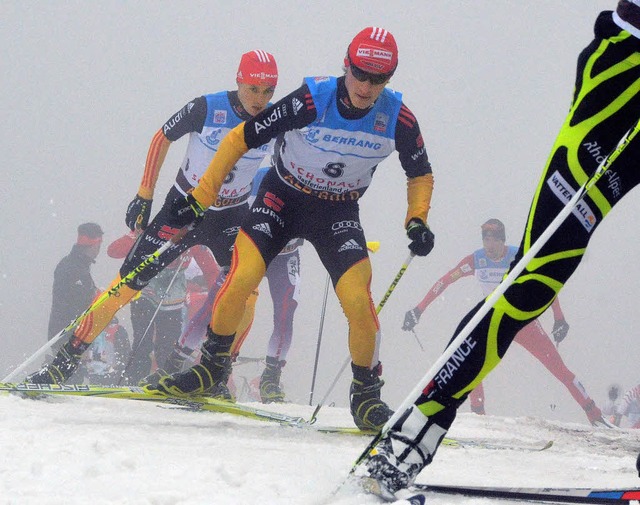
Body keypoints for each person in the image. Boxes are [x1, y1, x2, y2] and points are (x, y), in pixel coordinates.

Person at [354, 4, 640, 499]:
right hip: (619, 79)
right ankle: (406, 444)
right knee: (524, 289)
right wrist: (419, 309)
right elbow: (451, 278)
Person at [146, 26, 436, 431]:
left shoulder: (398, 118)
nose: (367, 87)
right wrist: (201, 196)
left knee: (358, 301)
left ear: (390, 78)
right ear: (345, 65)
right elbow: (238, 139)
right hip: (281, 198)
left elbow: (420, 173)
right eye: (360, 74)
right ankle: (211, 369)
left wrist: (417, 219)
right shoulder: (311, 99)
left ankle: (366, 398)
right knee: (242, 277)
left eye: (379, 78)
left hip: (336, 212)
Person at [26, 50, 279, 387]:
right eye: (252, 89)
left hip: (230, 215)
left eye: (267, 91)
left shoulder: (274, 119)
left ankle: (216, 374)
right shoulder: (207, 107)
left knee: (246, 291)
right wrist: (144, 194)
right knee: (124, 286)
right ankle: (61, 366)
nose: (259, 100)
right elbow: (163, 138)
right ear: (238, 80)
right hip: (182, 210)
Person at [402, 218, 605, 424]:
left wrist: (559, 318)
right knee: (472, 364)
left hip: (524, 323)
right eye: (485, 240)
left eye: (494, 241)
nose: (489, 246)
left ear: (503, 241)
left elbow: (545, 285)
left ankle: (594, 414)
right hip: (494, 323)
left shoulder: (518, 256)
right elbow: (444, 281)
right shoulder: (477, 260)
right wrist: (418, 310)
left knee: (558, 368)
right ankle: (478, 417)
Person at [106, 231, 218, 384]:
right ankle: (133, 381)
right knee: (142, 343)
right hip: (145, 292)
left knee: (167, 347)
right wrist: (137, 234)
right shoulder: (157, 228)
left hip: (173, 298)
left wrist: (218, 298)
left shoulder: (192, 236)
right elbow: (113, 251)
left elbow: (211, 271)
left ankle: (167, 383)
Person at [47, 223, 104, 352]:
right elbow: (77, 300)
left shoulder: (77, 265)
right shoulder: (72, 267)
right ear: (94, 245)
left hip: (71, 334)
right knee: (72, 371)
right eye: (99, 245)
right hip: (68, 335)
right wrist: (98, 297)